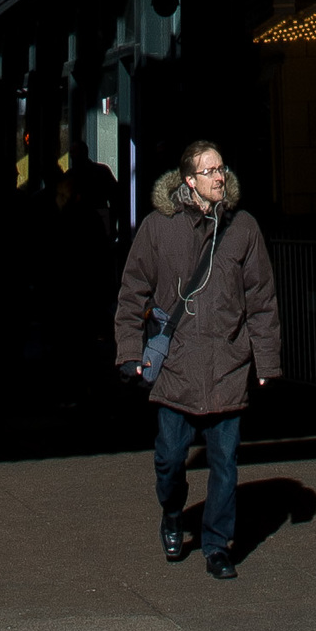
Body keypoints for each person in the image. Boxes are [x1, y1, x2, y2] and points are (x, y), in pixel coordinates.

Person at [113, 136, 280, 581]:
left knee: (225, 463)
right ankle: (172, 511)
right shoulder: (158, 227)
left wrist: (266, 362)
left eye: (222, 168)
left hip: (227, 364)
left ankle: (216, 545)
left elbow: (261, 299)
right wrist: (129, 351)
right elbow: (133, 293)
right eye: (209, 171)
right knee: (169, 459)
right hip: (176, 369)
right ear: (189, 180)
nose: (219, 177)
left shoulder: (243, 228)